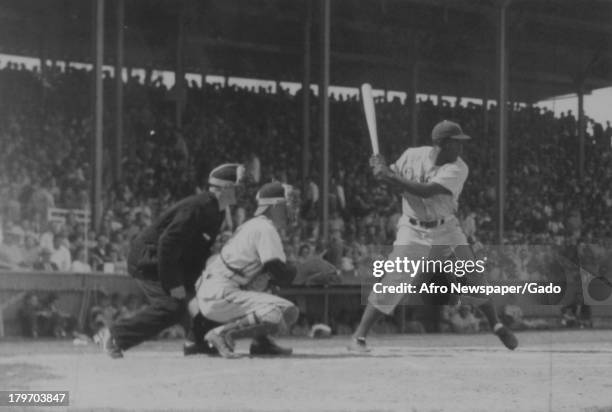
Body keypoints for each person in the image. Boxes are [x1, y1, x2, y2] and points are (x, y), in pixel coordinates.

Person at [348, 120, 518, 352]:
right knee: (393, 282)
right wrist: (380, 170)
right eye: (457, 143)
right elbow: (394, 183)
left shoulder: (459, 167)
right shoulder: (411, 155)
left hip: (445, 228)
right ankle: (359, 336)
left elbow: (426, 191)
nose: (461, 148)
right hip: (412, 229)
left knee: (472, 274)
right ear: (443, 144)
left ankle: (496, 325)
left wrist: (389, 174)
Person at [99, 163, 244, 358]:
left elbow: (194, 250)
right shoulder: (199, 207)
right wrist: (174, 283)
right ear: (226, 188)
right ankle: (115, 335)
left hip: (173, 262)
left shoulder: (216, 210)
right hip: (149, 261)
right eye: (238, 186)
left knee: (208, 295)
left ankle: (197, 342)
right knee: (172, 308)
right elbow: (167, 244)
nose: (242, 191)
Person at [194, 182, 301, 358]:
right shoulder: (264, 228)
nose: (291, 210)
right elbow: (279, 271)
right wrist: (306, 270)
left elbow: (273, 274)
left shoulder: (256, 224)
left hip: (221, 288)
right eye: (286, 205)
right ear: (274, 206)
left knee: (271, 286)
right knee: (283, 312)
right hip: (221, 291)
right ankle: (222, 333)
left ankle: (261, 342)